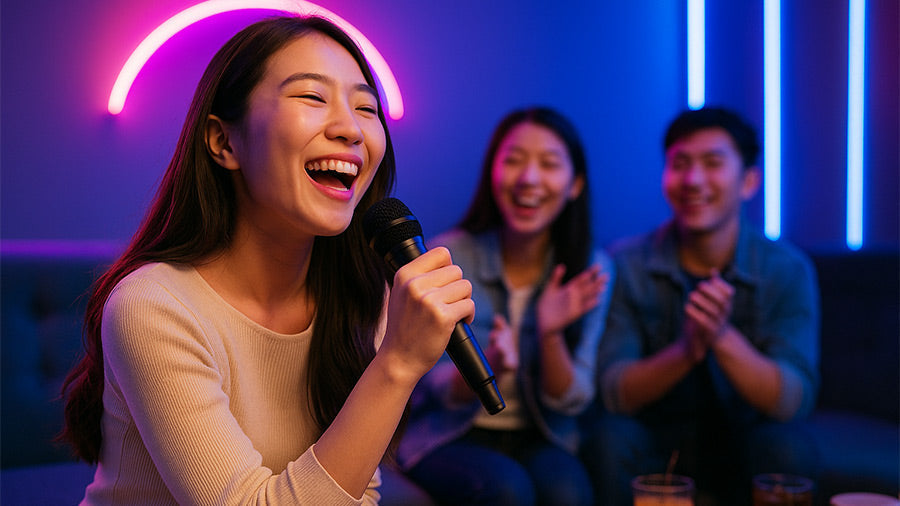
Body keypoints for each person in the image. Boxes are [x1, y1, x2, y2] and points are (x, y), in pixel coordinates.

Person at [59, 15, 466, 505]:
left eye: (366, 107)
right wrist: (397, 363)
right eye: (312, 97)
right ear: (223, 142)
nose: (351, 129)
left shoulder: (364, 298)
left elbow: (357, 491)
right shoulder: (154, 305)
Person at [579, 106, 820, 505]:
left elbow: (793, 398)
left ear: (748, 181)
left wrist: (722, 337)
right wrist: (687, 349)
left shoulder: (786, 270)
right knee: (608, 438)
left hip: (747, 438)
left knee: (789, 449)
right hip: (655, 435)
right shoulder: (627, 264)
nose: (693, 180)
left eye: (712, 163)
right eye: (680, 164)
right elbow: (614, 391)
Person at [397, 106, 613, 506]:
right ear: (492, 172)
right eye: (513, 160)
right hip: (453, 433)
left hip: (542, 433)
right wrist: (488, 363)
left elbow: (572, 399)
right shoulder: (449, 255)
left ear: (575, 184)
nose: (529, 178)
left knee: (569, 492)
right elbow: (432, 386)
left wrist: (550, 334)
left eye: (548, 164)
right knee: (506, 490)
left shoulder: (593, 268)